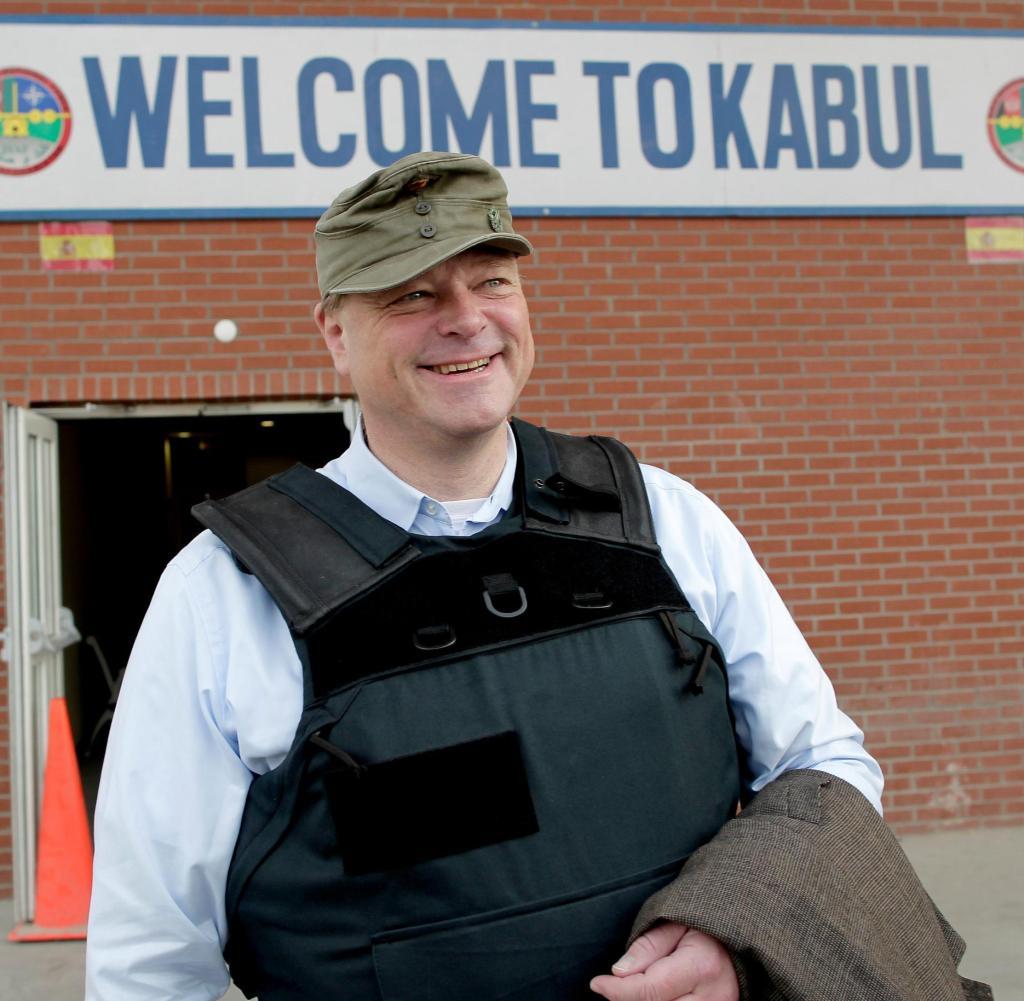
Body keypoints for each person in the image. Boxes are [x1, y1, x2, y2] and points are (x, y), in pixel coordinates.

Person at [85, 151, 890, 1001]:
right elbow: (150, 959)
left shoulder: (664, 520)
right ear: (335, 332)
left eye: (492, 281)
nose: (467, 320)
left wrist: (740, 927)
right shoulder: (223, 596)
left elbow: (823, 767)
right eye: (412, 294)